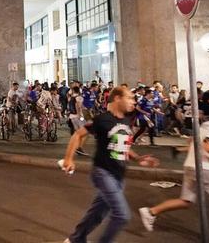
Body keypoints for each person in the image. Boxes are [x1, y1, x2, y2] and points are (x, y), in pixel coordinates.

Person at [62, 87, 160, 243]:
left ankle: (76, 238)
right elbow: (78, 134)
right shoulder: (102, 119)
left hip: (118, 176)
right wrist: (69, 159)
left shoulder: (126, 121)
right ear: (117, 98)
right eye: (129, 98)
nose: (133, 101)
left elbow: (123, 145)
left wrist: (138, 158)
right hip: (102, 172)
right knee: (122, 215)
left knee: (98, 213)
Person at [138, 119, 209, 232]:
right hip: (204, 168)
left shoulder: (207, 125)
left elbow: (191, 141)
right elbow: (208, 146)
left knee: (185, 201)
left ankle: (151, 212)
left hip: (191, 166)